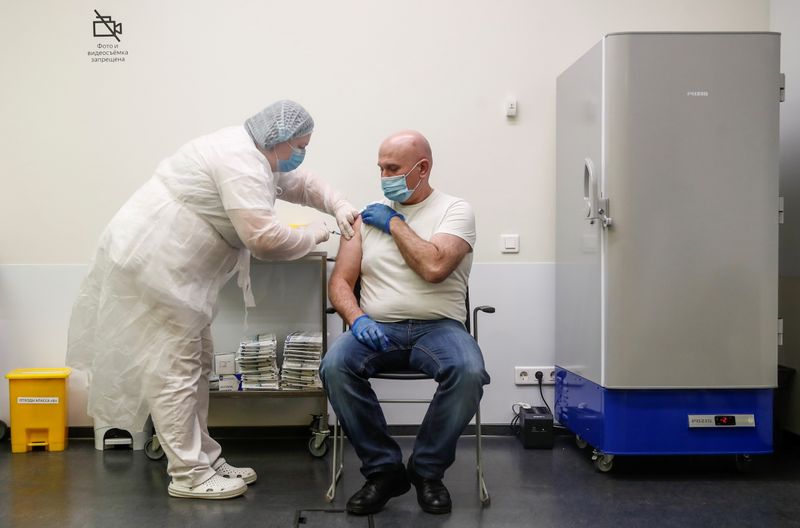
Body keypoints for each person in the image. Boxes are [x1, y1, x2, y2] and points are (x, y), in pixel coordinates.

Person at [66, 100, 359, 500]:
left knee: (198, 361)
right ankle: (188, 474)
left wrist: (339, 204)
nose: (301, 154)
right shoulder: (239, 161)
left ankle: (204, 456)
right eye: (300, 146)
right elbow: (265, 239)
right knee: (177, 368)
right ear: (280, 140)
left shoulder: (257, 154)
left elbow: (300, 183)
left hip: (175, 270)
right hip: (160, 263)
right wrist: (316, 234)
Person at [320, 130, 490, 515]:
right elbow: (341, 282)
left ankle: (427, 471)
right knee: (334, 366)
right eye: (380, 168)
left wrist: (395, 224)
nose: (384, 177)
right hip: (377, 326)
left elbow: (434, 267)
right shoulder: (363, 219)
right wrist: (356, 317)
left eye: (393, 168)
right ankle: (384, 472)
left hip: (439, 327)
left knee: (469, 371)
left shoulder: (455, 211)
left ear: (422, 168)